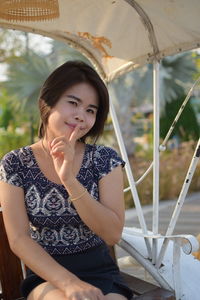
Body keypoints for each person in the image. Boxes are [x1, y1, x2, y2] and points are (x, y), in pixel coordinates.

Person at [0, 61, 133, 300]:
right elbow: (19, 239)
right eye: (73, 103)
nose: (81, 116)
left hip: (101, 273)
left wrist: (69, 179)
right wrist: (69, 283)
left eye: (91, 110)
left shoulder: (104, 160)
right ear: (47, 103)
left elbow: (112, 234)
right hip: (47, 276)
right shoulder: (15, 163)